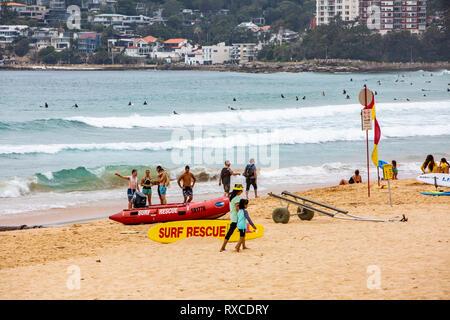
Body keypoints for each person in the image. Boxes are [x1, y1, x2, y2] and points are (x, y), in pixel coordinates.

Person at [220, 184, 244, 252]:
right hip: (237, 218)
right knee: (242, 232)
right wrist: (241, 215)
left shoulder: (231, 197)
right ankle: (237, 247)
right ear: (238, 191)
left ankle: (223, 247)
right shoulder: (237, 198)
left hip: (233, 217)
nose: (242, 192)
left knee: (231, 232)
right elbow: (237, 208)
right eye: (241, 190)